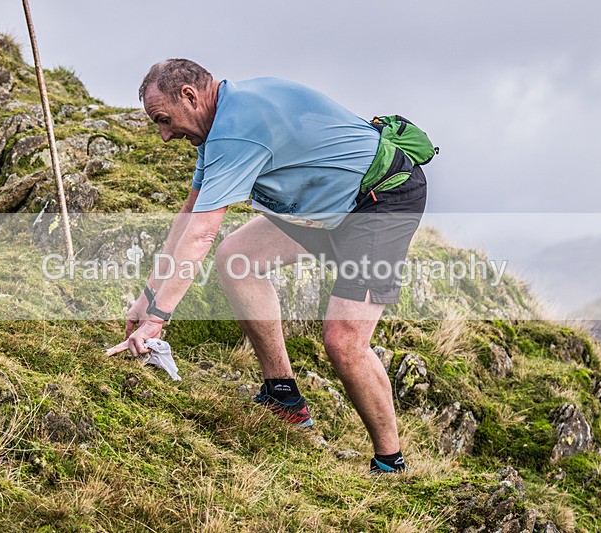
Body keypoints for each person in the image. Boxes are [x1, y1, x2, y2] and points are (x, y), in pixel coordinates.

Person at [109, 58, 427, 474]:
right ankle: (284, 397)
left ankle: (390, 463)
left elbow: (203, 234)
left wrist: (158, 321)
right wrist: (147, 299)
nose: (166, 135)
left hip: (380, 201)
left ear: (190, 96)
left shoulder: (238, 129)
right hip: (328, 205)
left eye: (164, 120)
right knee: (237, 258)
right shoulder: (216, 127)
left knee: (344, 343)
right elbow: (188, 218)